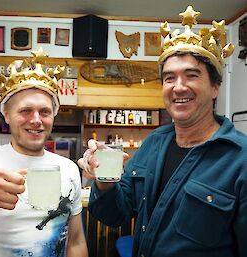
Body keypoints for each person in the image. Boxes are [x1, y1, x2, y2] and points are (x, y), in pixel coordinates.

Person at [78, 6, 247, 257]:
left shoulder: (240, 160)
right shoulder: (154, 143)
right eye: (169, 78)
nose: (178, 87)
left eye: (191, 76)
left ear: (214, 88)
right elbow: (116, 214)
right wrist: (104, 180)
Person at [0, 48, 88, 257]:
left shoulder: (67, 167)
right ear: (7, 115)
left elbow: (75, 242)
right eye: (25, 110)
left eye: (45, 112)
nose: (36, 119)